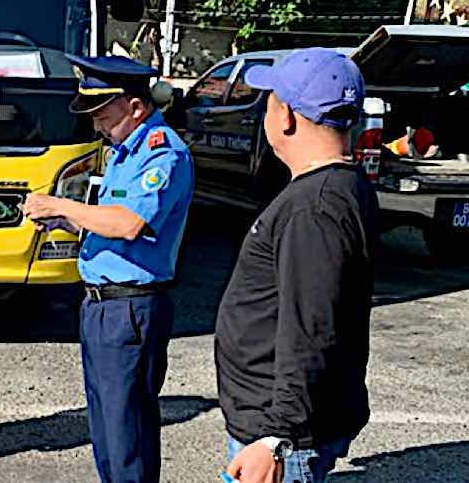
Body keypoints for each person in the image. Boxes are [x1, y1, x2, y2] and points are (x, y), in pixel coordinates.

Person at [24, 55, 193, 483]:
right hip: (103, 306)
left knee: (126, 431)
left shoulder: (162, 154)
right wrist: (67, 221)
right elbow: (108, 221)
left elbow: (129, 223)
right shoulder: (124, 151)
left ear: (136, 106)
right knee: (105, 426)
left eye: (103, 112)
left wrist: (62, 204)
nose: (97, 123)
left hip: (130, 309)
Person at [215, 48, 380, 483]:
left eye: (269, 99)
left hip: (281, 439)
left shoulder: (313, 208)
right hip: (284, 426)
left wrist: (274, 439)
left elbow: (310, 331)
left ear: (285, 115)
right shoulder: (339, 185)